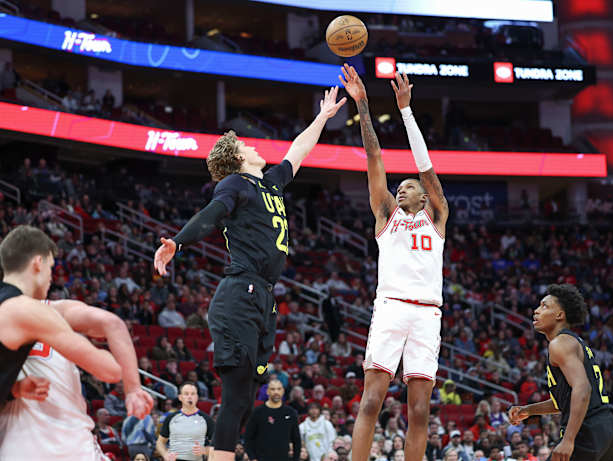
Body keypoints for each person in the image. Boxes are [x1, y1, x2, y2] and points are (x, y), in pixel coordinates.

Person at [154, 88, 345, 461]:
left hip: (263, 297)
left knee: (243, 398)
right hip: (240, 294)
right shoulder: (234, 183)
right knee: (235, 395)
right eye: (245, 143)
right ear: (239, 157)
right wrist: (178, 242)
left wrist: (322, 117)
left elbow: (299, 150)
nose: (254, 146)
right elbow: (211, 214)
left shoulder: (269, 183)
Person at [339, 65, 448, 461]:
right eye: (398, 187)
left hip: (426, 315)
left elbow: (427, 169)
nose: (400, 189)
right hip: (390, 307)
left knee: (419, 410)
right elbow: (374, 155)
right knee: (371, 401)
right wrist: (363, 104)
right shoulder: (386, 214)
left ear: (423, 196)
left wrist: (405, 111)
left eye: (408, 187)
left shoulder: (437, 216)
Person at [0, 296, 153, 459]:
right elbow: (112, 326)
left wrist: (16, 389)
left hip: (17, 442)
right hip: (72, 441)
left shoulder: (6, 316)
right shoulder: (57, 310)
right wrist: (133, 388)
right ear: (37, 270)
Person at [0, 225, 123, 405]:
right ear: (37, 263)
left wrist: (14, 389)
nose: (51, 276)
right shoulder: (28, 309)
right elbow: (109, 371)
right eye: (50, 267)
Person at [507, 284, 613, 461]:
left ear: (560, 315)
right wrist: (529, 410)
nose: (536, 311)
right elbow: (565, 401)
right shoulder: (573, 342)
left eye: (545, 306)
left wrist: (568, 440)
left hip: (587, 428)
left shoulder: (560, 343)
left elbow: (582, 389)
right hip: (607, 428)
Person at [244, 379, 301, 461]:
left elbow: (296, 440)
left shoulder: (290, 412)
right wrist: (253, 458)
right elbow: (248, 438)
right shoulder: (258, 412)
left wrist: (296, 459)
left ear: (283, 391)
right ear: (267, 391)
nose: (276, 392)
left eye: (279, 389)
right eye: (273, 389)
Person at [157, 382, 215, 461]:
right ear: (180, 397)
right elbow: (160, 443)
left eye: (193, 394)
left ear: (197, 397)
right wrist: (165, 454)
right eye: (186, 394)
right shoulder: (171, 418)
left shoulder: (206, 419)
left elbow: (216, 447)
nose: (189, 397)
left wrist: (205, 450)